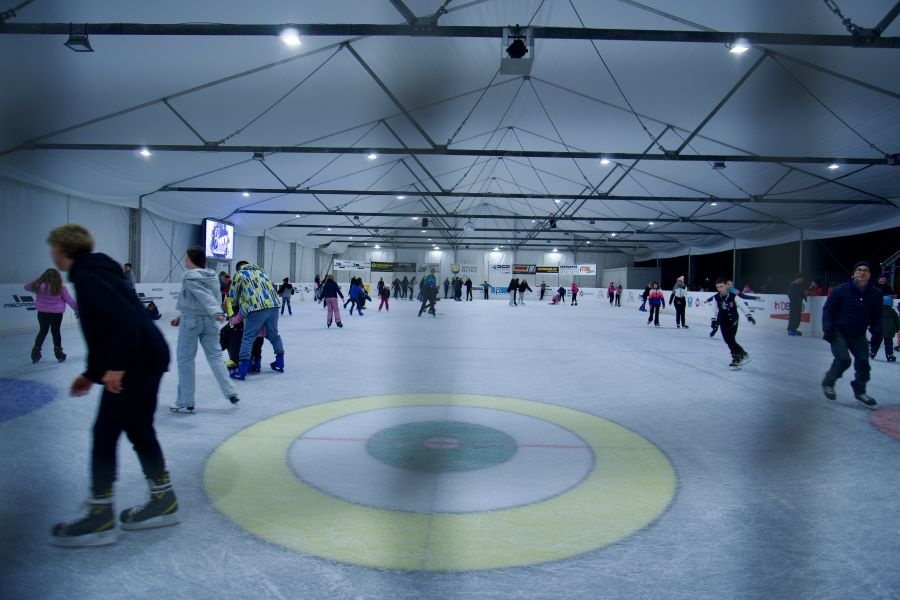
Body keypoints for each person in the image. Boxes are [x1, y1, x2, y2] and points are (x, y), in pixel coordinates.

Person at [47, 224, 177, 547]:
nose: (51, 253)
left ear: (61, 249)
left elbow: (123, 321)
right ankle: (164, 498)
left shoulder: (88, 276)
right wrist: (92, 374)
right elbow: (104, 330)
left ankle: (100, 514)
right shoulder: (100, 271)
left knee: (105, 432)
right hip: (148, 355)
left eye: (52, 248)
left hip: (135, 361)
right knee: (139, 428)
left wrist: (116, 366)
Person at [168, 247, 239, 413]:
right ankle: (231, 392)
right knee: (216, 356)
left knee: (185, 360)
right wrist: (181, 316)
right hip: (209, 321)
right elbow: (206, 298)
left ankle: (185, 401)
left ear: (191, 259)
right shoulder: (212, 276)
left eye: (186, 257)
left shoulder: (189, 275)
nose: (184, 259)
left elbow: (203, 295)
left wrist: (215, 311)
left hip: (192, 321)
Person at [821, 262, 882, 408]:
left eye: (865, 270)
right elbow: (828, 310)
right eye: (859, 270)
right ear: (853, 274)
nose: (862, 272)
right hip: (839, 331)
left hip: (858, 333)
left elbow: (877, 316)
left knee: (863, 363)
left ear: (870, 275)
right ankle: (828, 383)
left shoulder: (875, 294)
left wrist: (877, 333)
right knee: (843, 359)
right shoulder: (841, 290)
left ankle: (860, 391)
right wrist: (828, 328)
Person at [228, 260, 285, 380]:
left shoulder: (240, 274)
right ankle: (280, 362)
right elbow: (273, 287)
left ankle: (242, 368)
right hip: (274, 304)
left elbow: (233, 294)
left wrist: (234, 308)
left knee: (248, 337)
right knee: (274, 335)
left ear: (239, 268)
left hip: (256, 306)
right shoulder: (262, 272)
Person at [25, 268, 78, 363]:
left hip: (42, 313)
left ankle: (36, 351)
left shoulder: (39, 286)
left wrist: (38, 281)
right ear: (57, 277)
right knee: (56, 331)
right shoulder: (60, 288)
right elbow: (70, 300)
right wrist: (77, 309)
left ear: (44, 276)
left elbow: (26, 287)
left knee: (43, 331)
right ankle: (58, 351)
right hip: (56, 314)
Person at [706, 277, 750, 368]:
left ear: (726, 285)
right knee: (727, 340)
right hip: (723, 320)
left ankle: (739, 356)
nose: (719, 289)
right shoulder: (716, 297)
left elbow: (742, 305)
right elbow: (714, 309)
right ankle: (739, 355)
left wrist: (748, 315)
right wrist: (713, 319)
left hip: (733, 320)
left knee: (730, 339)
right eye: (718, 287)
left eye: (721, 286)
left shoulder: (733, 295)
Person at [870, 295, 899, 362]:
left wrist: (872, 329)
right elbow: (897, 321)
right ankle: (889, 355)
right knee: (888, 343)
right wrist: (897, 329)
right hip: (889, 331)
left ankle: (873, 352)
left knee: (876, 342)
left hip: (878, 331)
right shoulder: (892, 312)